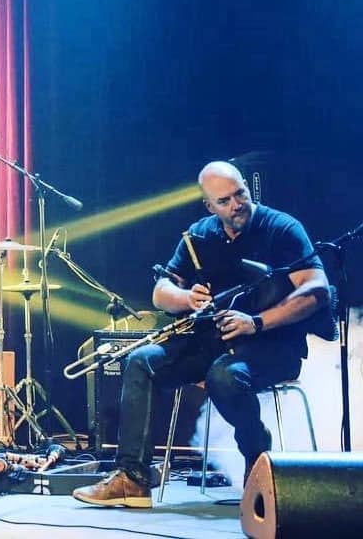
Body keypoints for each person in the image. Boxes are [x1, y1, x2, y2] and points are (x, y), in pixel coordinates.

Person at [73, 161, 330, 508]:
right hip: (211, 343)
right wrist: (185, 298)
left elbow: (316, 290)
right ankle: (132, 478)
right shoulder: (200, 234)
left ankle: (257, 454)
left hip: (272, 345)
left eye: (240, 193)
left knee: (224, 375)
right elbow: (161, 291)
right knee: (141, 362)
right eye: (224, 201)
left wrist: (256, 322)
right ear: (210, 206)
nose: (236, 204)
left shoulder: (281, 228)